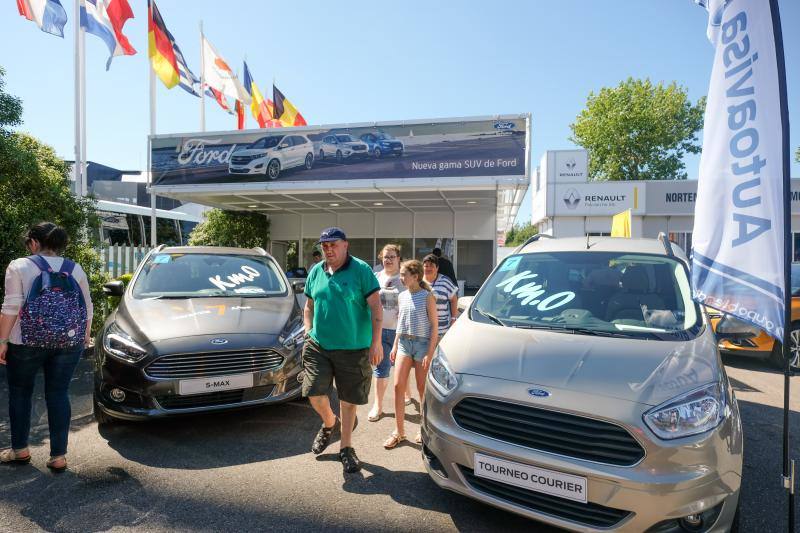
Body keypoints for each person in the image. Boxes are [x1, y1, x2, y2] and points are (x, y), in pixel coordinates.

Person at [0, 222, 93, 472]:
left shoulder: (19, 265)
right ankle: (58, 456)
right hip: (68, 341)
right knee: (58, 393)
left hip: (25, 341)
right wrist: (84, 336)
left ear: (33, 243)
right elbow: (87, 306)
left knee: (20, 392)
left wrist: (2, 341)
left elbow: (11, 307)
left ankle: (20, 450)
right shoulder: (75, 269)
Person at [302, 227, 382, 474]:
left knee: (348, 401)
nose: (328, 249)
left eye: (333, 244)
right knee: (313, 392)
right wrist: (307, 331)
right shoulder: (316, 271)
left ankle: (346, 448)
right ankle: (329, 423)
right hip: (318, 345)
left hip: (353, 348)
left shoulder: (361, 270)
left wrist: (375, 343)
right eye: (324, 245)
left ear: (345, 245)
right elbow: (308, 306)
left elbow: (377, 311)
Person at [383, 260, 437, 449]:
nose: (401, 277)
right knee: (398, 386)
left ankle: (423, 429)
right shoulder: (402, 296)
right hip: (404, 343)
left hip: (422, 345)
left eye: (404, 274)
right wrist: (395, 345)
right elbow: (401, 322)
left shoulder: (427, 296)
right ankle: (399, 432)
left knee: (422, 389)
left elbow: (434, 328)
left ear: (415, 276)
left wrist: (429, 353)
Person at [368, 244, 406, 422]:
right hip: (380, 331)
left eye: (392, 256)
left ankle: (408, 392)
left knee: (403, 368)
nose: (388, 260)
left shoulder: (406, 278)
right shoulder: (375, 277)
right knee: (381, 368)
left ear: (399, 258)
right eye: (385, 257)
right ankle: (378, 405)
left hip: (402, 333)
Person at [423, 254, 459, 339]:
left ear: (437, 268)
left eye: (431, 266)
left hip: (441, 331)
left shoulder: (445, 281)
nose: (428, 268)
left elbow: (454, 300)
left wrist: (453, 318)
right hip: (422, 332)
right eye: (426, 266)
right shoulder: (418, 281)